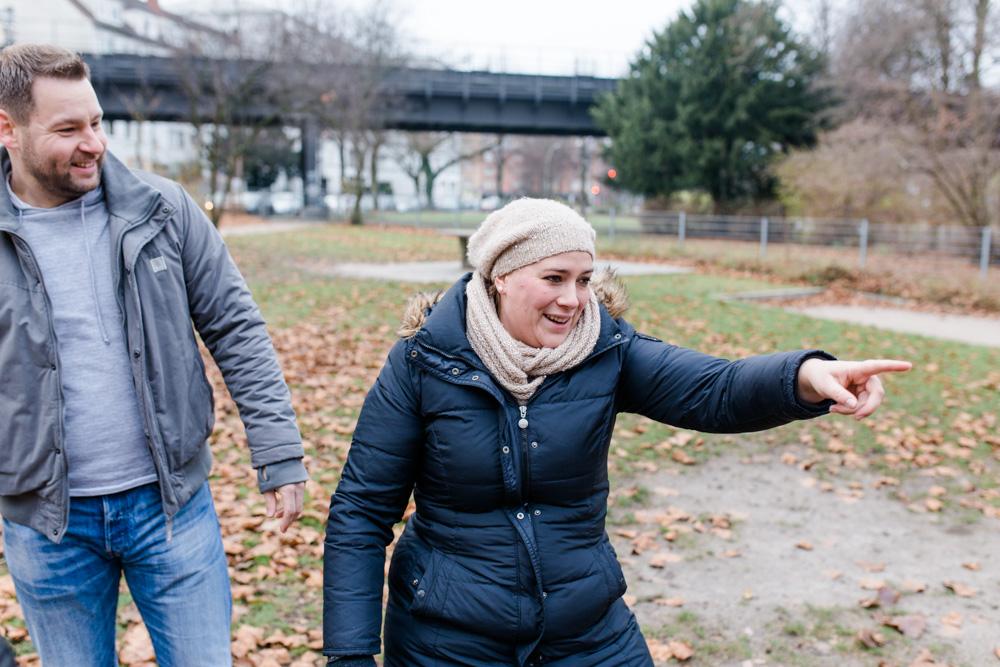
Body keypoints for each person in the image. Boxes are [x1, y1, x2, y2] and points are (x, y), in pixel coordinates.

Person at [322, 198, 911, 666]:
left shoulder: (607, 350)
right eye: (554, 278)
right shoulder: (424, 362)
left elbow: (716, 390)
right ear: (500, 276)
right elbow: (362, 511)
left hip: (585, 632)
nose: (574, 300)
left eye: (584, 279)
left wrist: (805, 376)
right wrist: (349, 653)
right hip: (445, 640)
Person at [0, 43, 307, 664]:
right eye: (68, 129)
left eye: (97, 122)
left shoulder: (161, 207)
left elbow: (235, 326)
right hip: (46, 524)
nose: (94, 143)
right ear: (7, 129)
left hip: (170, 507)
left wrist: (278, 452)